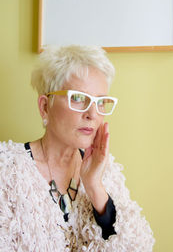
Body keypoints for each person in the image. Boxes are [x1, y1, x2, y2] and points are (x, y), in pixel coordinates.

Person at [0, 45, 155, 251]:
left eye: (100, 102)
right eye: (78, 98)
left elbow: (138, 246)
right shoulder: (7, 171)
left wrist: (94, 187)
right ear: (45, 106)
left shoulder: (106, 170)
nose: (92, 113)